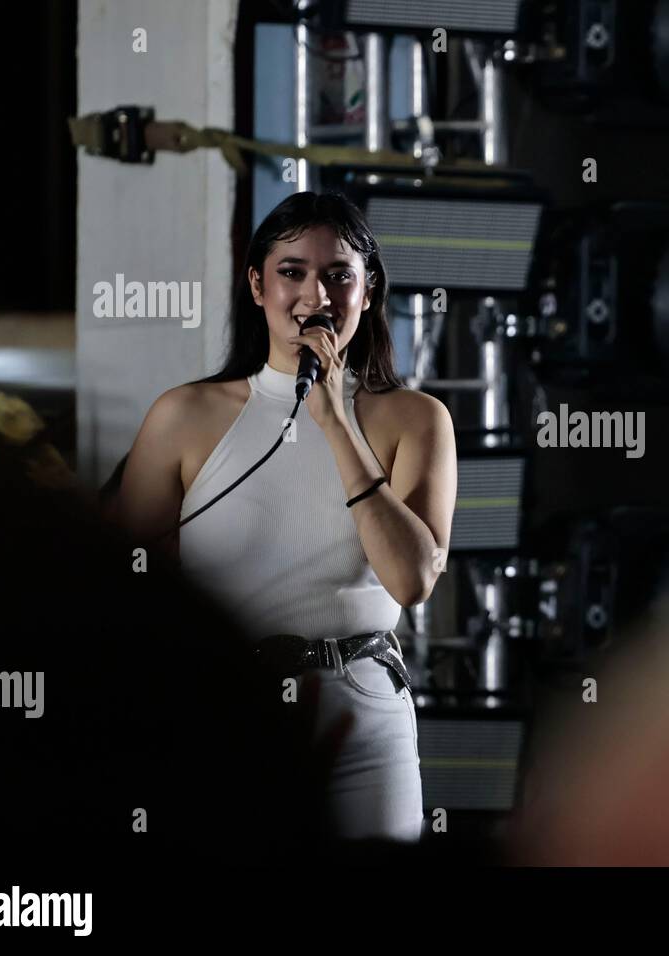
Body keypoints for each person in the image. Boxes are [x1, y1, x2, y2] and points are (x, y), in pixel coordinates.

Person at [111, 191, 456, 843]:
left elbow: (411, 580)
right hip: (227, 704)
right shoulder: (183, 416)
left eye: (338, 275)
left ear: (369, 288)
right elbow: (129, 592)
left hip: (364, 713)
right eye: (291, 271)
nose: (314, 294)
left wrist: (333, 420)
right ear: (256, 284)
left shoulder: (416, 419)